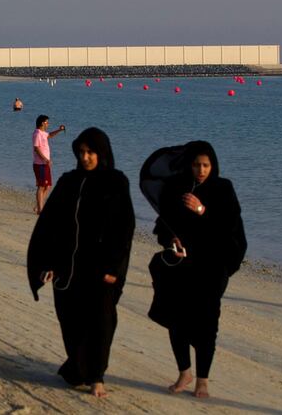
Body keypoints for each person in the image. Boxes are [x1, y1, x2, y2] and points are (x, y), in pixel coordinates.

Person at [27, 128, 135, 398]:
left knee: (101, 323)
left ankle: (96, 376)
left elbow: (124, 229)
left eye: (91, 152)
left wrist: (114, 267)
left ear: (102, 152)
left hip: (101, 270)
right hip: (68, 267)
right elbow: (51, 224)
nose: (86, 157)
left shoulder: (116, 182)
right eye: (82, 152)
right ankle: (77, 367)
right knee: (71, 321)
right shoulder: (68, 181)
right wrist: (47, 262)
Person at [143, 141, 246, 399]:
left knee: (207, 322)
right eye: (196, 164)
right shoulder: (177, 188)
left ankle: (203, 380)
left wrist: (202, 210)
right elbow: (162, 227)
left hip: (213, 266)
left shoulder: (223, 189)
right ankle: (184, 372)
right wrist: (171, 241)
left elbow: (230, 229)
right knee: (176, 319)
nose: (201, 170)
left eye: (206, 165)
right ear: (189, 165)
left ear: (213, 165)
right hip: (182, 265)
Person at [32, 115, 66, 214]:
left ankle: (38, 205)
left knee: (48, 186)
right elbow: (36, 148)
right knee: (41, 186)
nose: (48, 124)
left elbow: (49, 135)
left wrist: (59, 130)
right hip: (40, 164)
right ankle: (40, 209)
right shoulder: (37, 133)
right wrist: (46, 159)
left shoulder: (42, 133)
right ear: (42, 123)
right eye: (47, 122)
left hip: (45, 164)